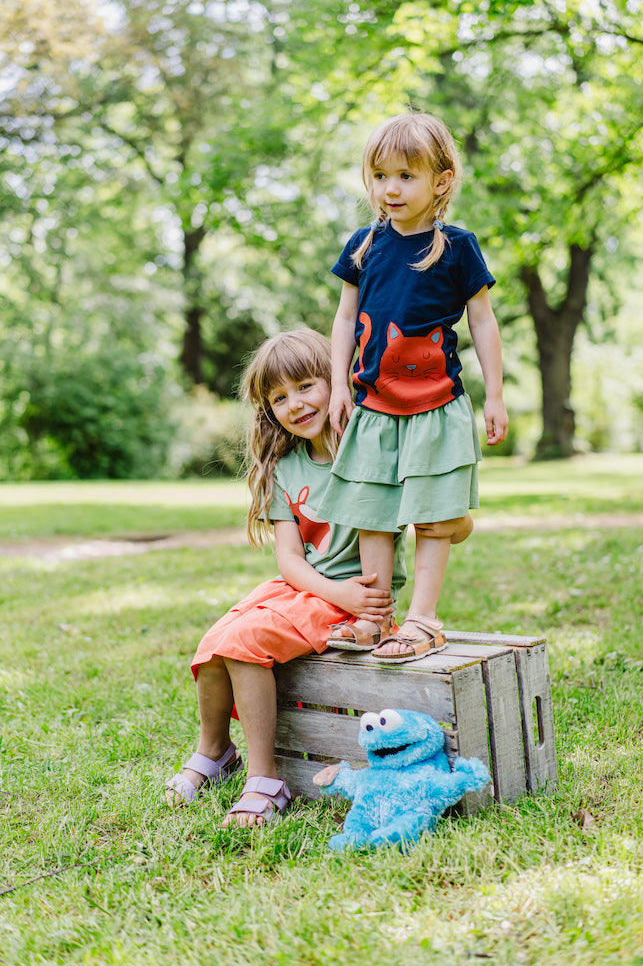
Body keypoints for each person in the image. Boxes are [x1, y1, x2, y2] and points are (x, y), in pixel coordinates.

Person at [165, 328, 405, 827]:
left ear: (335, 380)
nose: (294, 404)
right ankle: (215, 753)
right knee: (215, 642)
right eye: (279, 397)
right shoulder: (285, 465)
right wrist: (327, 587)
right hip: (309, 587)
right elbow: (290, 560)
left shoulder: (366, 448)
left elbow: (375, 564)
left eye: (305, 386)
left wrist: (349, 598)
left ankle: (265, 779)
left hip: (353, 601)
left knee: (246, 641)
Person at [318, 111, 508, 664]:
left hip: (435, 407)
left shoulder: (456, 246)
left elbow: (483, 322)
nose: (390, 188)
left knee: (427, 516)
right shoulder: (363, 245)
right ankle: (374, 620)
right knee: (372, 513)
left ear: (441, 180)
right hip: (373, 407)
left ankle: (424, 620)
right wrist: (338, 387)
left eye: (405, 175)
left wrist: (495, 395)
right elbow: (344, 319)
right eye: (380, 176)